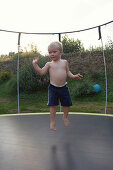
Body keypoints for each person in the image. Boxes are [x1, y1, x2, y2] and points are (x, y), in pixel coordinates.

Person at [32, 41, 83, 131]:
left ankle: (65, 117)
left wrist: (74, 76)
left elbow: (68, 72)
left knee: (67, 105)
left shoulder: (64, 62)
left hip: (64, 87)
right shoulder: (49, 64)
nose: (52, 54)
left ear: (60, 52)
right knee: (53, 105)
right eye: (50, 52)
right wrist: (35, 64)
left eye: (54, 52)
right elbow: (41, 72)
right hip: (53, 88)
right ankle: (52, 121)